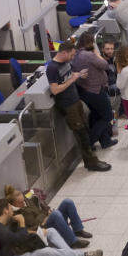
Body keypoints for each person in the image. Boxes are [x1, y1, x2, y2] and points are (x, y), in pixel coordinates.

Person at [0, 198, 98, 256]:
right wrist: (22, 222)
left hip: (16, 253)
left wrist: (37, 232)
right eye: (10, 208)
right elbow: (21, 239)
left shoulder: (1, 225)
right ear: (5, 211)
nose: (12, 210)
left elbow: (19, 236)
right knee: (44, 252)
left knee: (51, 231)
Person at [46, 41, 111, 172]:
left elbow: (68, 77)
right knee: (82, 135)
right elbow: (55, 90)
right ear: (64, 52)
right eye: (72, 54)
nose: (73, 57)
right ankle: (92, 163)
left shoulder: (65, 63)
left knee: (85, 131)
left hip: (75, 101)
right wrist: (73, 79)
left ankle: (92, 160)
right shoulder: (52, 68)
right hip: (68, 105)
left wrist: (78, 75)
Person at [4, 184, 91, 249]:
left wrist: (47, 212)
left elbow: (40, 210)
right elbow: (30, 228)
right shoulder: (16, 214)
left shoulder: (27, 200)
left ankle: (78, 230)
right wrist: (44, 217)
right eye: (18, 196)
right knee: (56, 214)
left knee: (67, 202)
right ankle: (73, 242)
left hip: (48, 220)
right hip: (43, 229)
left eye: (20, 194)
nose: (22, 196)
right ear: (13, 202)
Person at [71, 32, 117, 149]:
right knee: (107, 116)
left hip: (84, 90)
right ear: (91, 43)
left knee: (97, 115)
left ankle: (105, 141)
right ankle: (88, 142)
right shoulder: (89, 55)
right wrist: (96, 53)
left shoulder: (76, 54)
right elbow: (105, 65)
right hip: (95, 90)